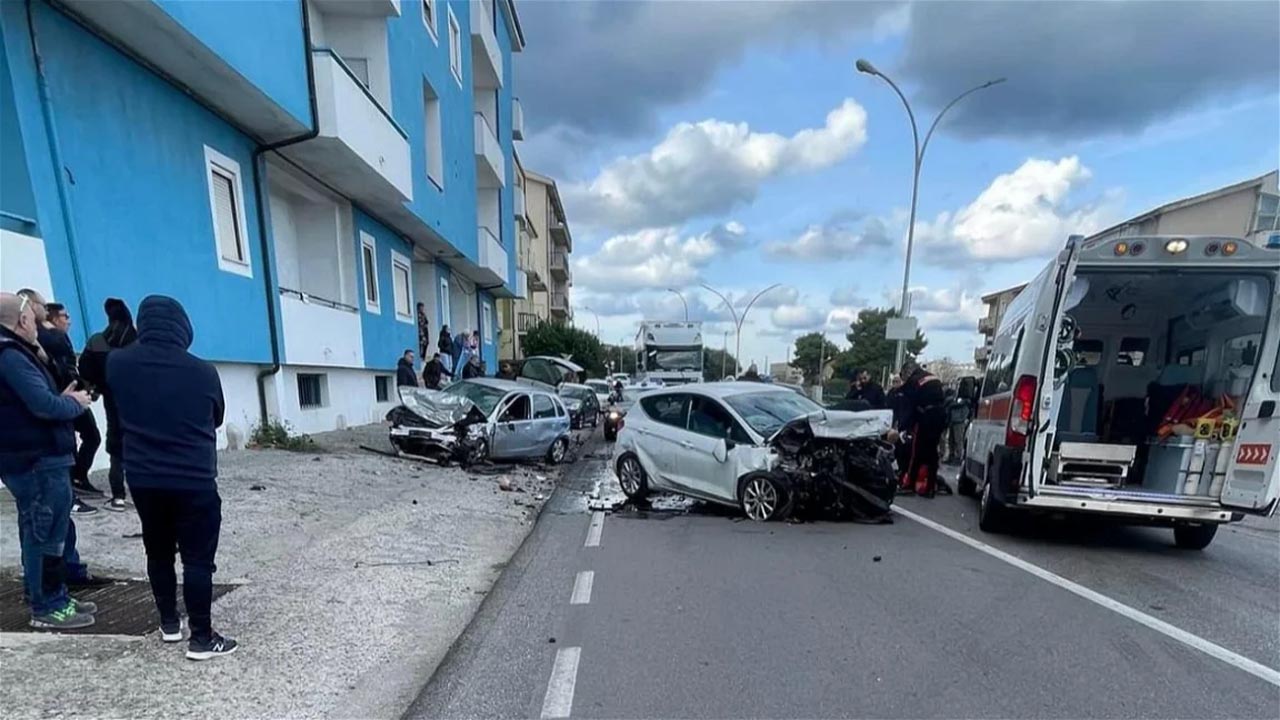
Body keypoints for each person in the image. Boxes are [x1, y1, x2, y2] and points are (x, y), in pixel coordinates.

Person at [107, 295, 236, 660]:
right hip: (193, 479)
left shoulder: (119, 364)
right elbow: (217, 417)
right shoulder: (202, 371)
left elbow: (116, 413)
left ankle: (168, 623)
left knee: (158, 551)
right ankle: (202, 638)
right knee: (197, 560)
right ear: (183, 327)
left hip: (145, 478)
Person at [0, 292, 97, 629]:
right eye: (33, 317)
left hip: (36, 458)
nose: (38, 325)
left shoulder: (19, 353)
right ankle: (47, 606)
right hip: (37, 459)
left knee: (42, 530)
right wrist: (75, 403)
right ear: (22, 320)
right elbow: (44, 405)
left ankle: (51, 595)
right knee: (45, 533)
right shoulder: (9, 356)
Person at [18, 291, 99, 514]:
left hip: (66, 395)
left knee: (87, 437)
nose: (69, 319)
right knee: (69, 443)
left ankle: (77, 481)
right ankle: (71, 492)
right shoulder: (45, 337)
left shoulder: (42, 337)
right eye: (65, 315)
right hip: (62, 397)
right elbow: (61, 370)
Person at [78, 298, 138, 511]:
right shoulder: (136, 340)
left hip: (111, 399)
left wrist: (96, 388)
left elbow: (84, 369)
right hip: (136, 399)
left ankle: (118, 496)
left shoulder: (98, 340)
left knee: (116, 444)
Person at [898, 360, 951, 498]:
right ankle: (930, 487)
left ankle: (909, 485)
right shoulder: (933, 377)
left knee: (916, 452)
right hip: (939, 417)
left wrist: (904, 427)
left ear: (907, 372)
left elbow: (910, 407)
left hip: (926, 417)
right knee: (932, 453)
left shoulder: (913, 381)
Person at [943, 388, 971, 464]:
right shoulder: (958, 402)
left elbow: (965, 411)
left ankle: (958, 457)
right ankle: (952, 456)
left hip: (958, 422)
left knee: (958, 440)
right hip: (954, 421)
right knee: (951, 440)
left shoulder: (962, 401)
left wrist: (961, 419)